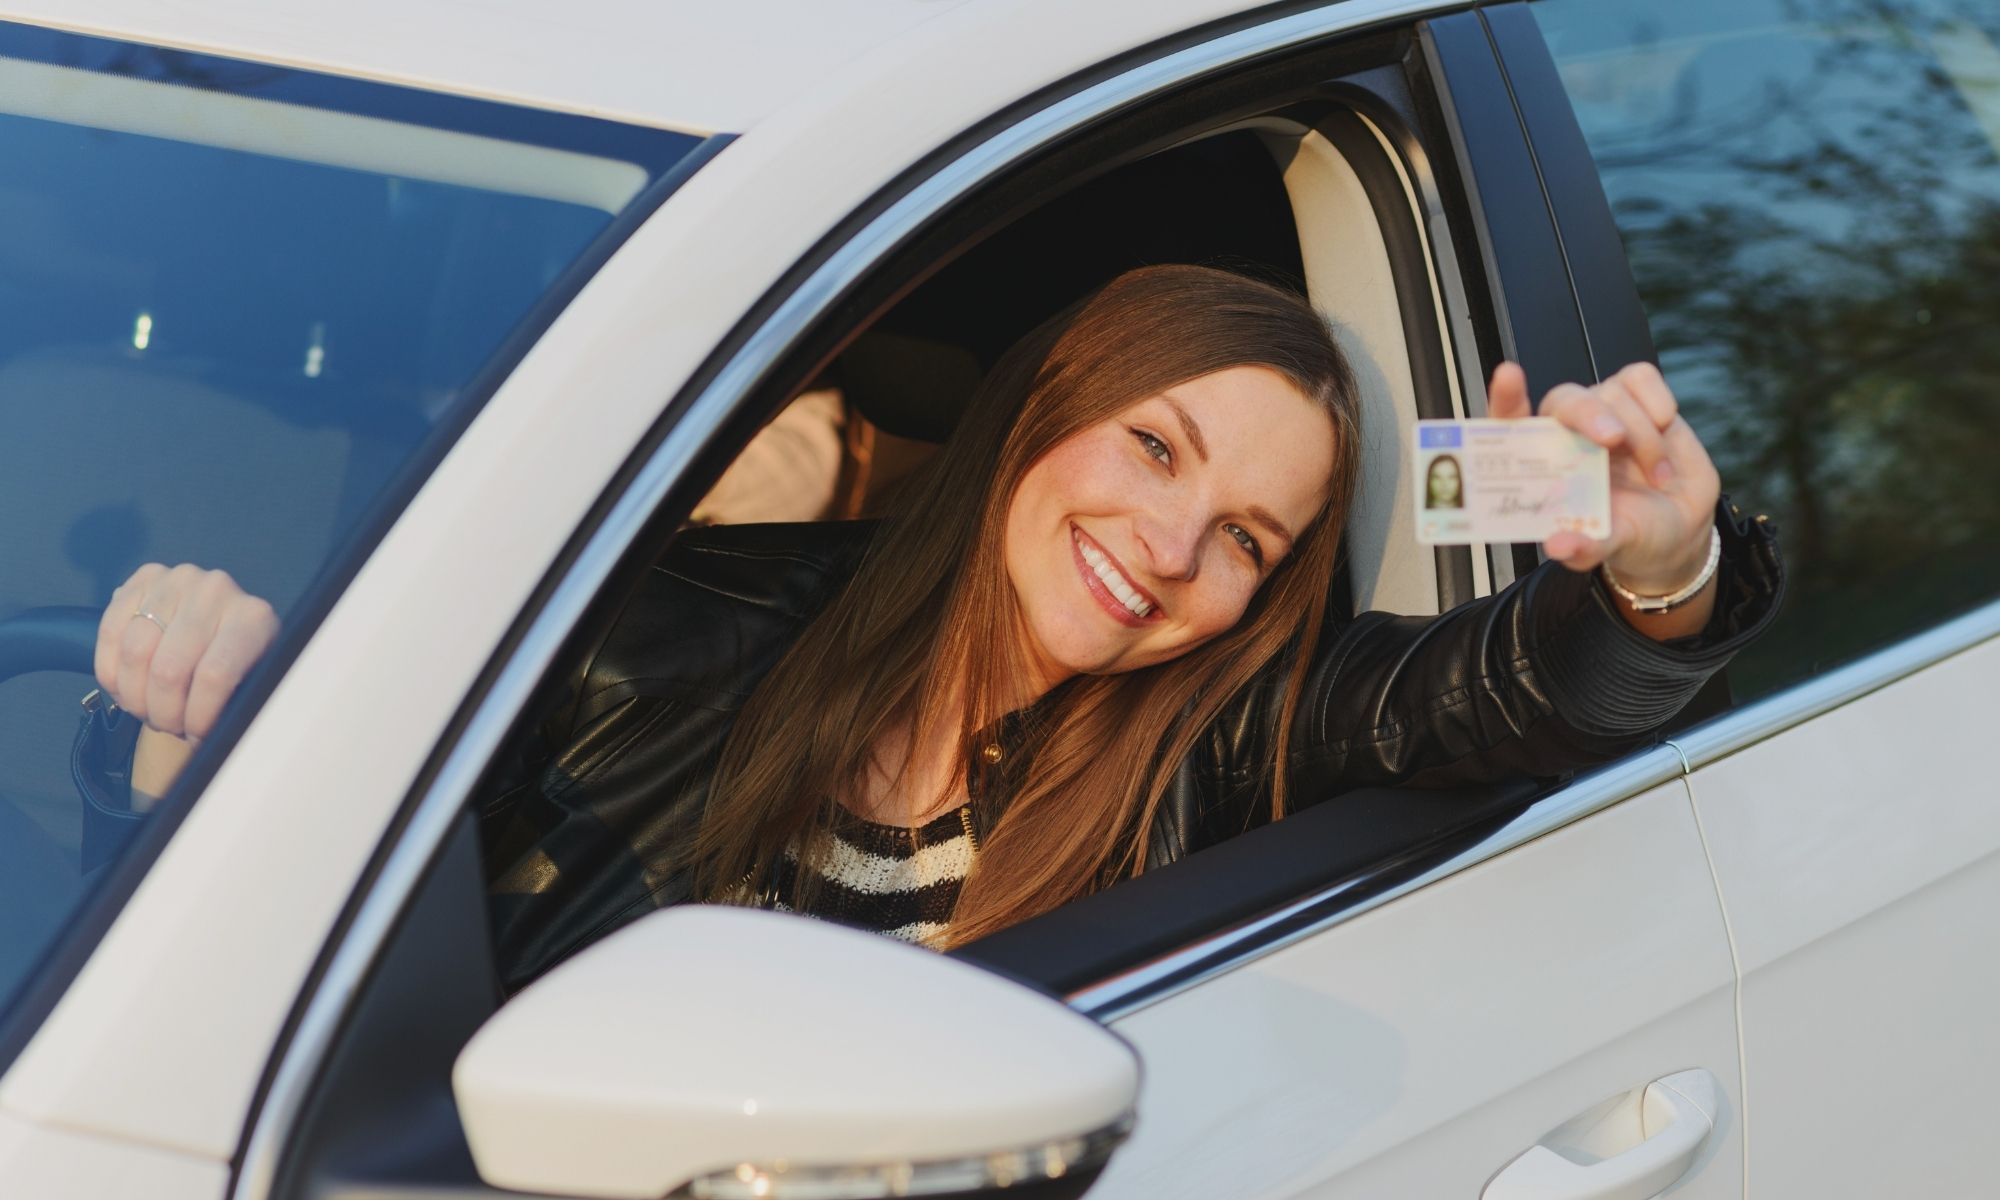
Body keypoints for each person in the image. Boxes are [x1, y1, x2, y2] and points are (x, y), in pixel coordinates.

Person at [85, 265, 1782, 992]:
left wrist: (1658, 563)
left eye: (1248, 538)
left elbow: (1508, 700)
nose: (1169, 545)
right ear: (1045, 409)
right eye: (1153, 446)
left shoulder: (1229, 740)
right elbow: (349, 922)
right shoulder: (657, 639)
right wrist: (192, 729)